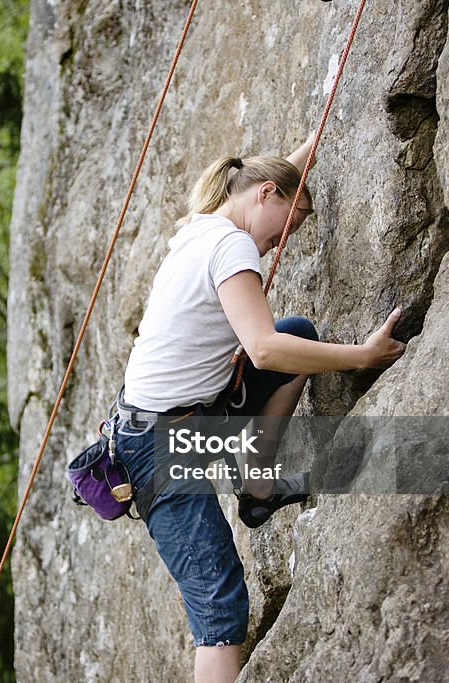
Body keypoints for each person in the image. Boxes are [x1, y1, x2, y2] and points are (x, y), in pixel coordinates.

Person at [113, 134, 406, 683]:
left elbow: (269, 186)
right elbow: (263, 348)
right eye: (288, 226)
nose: (281, 242)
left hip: (178, 418)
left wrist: (308, 150)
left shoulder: (202, 227)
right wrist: (361, 356)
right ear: (264, 195)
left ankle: (258, 489)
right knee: (220, 611)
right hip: (159, 450)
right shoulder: (231, 245)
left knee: (302, 336)